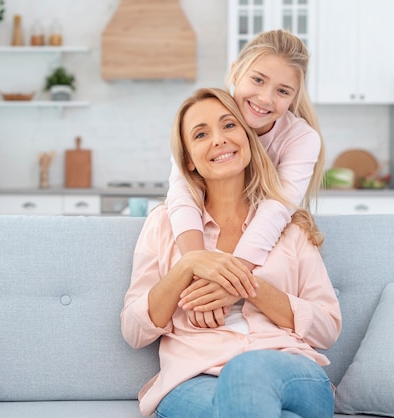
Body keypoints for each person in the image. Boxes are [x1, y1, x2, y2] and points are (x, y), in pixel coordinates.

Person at [121, 88, 341, 417]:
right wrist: (189, 265)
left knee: (247, 372)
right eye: (201, 134)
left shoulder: (289, 227)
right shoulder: (165, 225)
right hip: (195, 377)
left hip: (288, 369)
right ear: (189, 163)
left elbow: (327, 328)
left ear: (248, 139)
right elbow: (134, 331)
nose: (219, 139)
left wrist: (246, 286)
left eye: (228, 125)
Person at [166, 30, 325, 321]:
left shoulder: (300, 139)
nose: (265, 98)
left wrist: (228, 282)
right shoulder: (206, 113)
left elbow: (276, 209)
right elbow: (181, 195)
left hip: (262, 249)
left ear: (293, 97)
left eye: (283, 91)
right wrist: (197, 268)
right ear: (235, 71)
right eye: (258, 79)